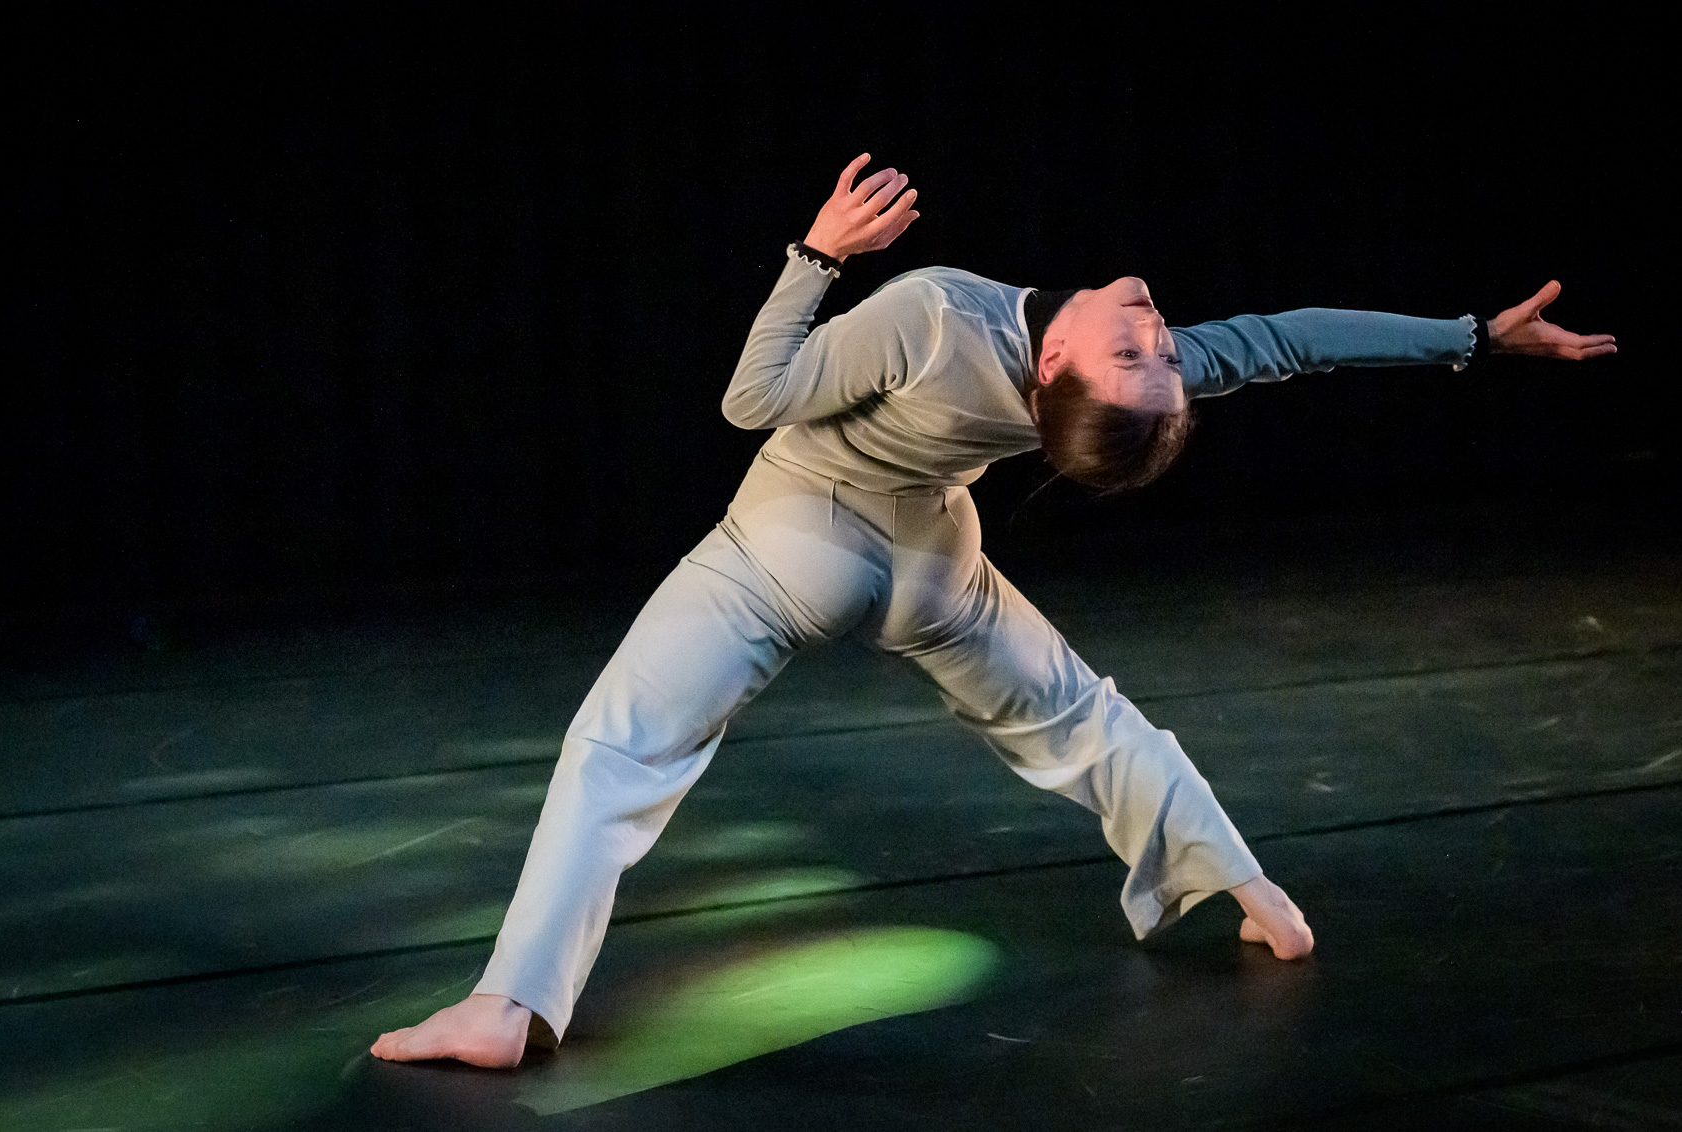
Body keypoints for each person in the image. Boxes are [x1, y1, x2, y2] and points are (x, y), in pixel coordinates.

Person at [372, 154, 1616, 1069]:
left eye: (1145, 354)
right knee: (1084, 715)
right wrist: (1471, 338)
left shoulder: (939, 311)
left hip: (790, 545)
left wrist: (815, 257)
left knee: (621, 749)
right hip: (931, 569)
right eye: (1157, 349)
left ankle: (509, 1005)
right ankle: (1251, 893)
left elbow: (754, 403)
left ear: (1063, 370)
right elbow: (1290, 341)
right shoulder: (1107, 385)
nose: (1158, 339)